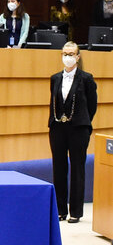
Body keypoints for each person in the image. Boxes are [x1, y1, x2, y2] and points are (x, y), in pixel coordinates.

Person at [49, 41, 97, 223]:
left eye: (71, 54)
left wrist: (82, 122)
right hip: (57, 128)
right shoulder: (55, 78)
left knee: (77, 168)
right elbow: (53, 103)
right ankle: (60, 210)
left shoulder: (86, 78)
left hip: (78, 129)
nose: (67, 57)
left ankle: (75, 212)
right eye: (64, 54)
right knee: (58, 168)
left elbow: (92, 106)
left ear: (78, 56)